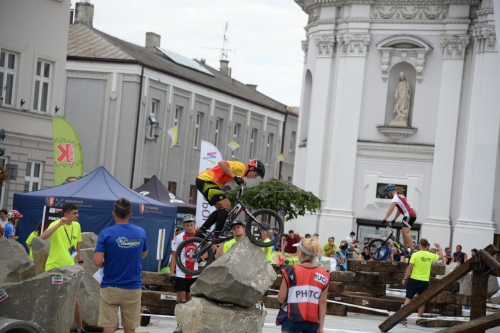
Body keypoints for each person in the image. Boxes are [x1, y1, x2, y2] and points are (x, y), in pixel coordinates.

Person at [93, 198, 148, 333]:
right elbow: (143, 254)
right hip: (133, 286)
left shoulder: (106, 233)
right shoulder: (140, 232)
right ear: (130, 214)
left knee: (109, 326)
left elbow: (97, 261)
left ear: (114, 214)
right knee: (130, 327)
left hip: (110, 285)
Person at [41, 203, 88, 333]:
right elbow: (43, 236)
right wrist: (58, 225)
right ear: (66, 214)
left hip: (70, 268)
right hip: (54, 268)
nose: (77, 215)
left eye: (77, 213)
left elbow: (76, 245)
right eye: (74, 213)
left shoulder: (77, 225)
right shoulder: (56, 224)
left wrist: (80, 261)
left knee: (75, 299)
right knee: (52, 298)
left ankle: (80, 328)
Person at [194, 159, 265, 241]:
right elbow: (221, 163)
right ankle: (217, 234)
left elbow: (233, 176)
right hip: (206, 180)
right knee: (226, 205)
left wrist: (239, 180)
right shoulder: (241, 167)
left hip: (205, 181)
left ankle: (202, 230)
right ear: (252, 168)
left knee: (221, 210)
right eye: (256, 174)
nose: (254, 177)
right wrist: (235, 177)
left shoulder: (241, 173)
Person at [277, 238, 328, 333]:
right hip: (312, 321)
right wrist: (321, 327)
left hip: (292, 317)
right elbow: (322, 303)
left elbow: (281, 297)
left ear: (300, 252)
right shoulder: (324, 275)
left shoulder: (290, 271)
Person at [401, 239, 443, 325]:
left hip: (414, 279)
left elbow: (409, 268)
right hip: (424, 281)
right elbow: (441, 257)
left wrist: (405, 278)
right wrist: (438, 247)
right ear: (427, 246)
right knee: (421, 300)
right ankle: (419, 319)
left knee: (408, 298)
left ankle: (404, 318)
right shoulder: (430, 255)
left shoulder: (415, 254)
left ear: (420, 245)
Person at [170, 214, 198, 333]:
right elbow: (173, 255)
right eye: (187, 225)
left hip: (193, 273)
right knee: (180, 297)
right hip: (181, 272)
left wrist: (203, 257)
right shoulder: (179, 237)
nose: (190, 227)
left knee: (190, 299)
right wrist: (172, 273)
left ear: (194, 225)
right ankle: (179, 324)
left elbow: (209, 250)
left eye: (191, 225)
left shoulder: (198, 237)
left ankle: (189, 324)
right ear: (184, 226)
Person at [382, 184, 416, 255]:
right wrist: (394, 220)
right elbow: (400, 210)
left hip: (408, 215)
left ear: (390, 191)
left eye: (387, 193)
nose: (387, 195)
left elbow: (391, 209)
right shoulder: (400, 196)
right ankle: (406, 251)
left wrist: (384, 219)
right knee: (404, 233)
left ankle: (413, 250)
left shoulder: (395, 198)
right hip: (411, 215)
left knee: (405, 233)